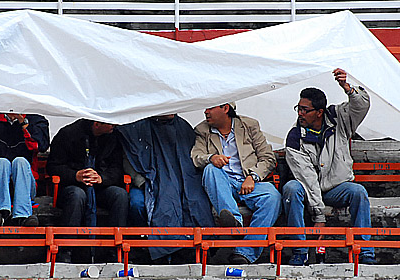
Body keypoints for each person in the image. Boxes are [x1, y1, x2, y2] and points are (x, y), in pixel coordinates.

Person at [283, 68, 375, 266]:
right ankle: (299, 251)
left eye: (305, 110)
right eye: (298, 108)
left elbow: (362, 106)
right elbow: (306, 179)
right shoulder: (294, 137)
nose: (300, 113)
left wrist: (348, 88)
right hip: (308, 191)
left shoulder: (338, 117)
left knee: (358, 191)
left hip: (336, 188)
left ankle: (365, 252)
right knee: (291, 188)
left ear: (319, 112)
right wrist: (319, 214)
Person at [191, 103, 281, 265]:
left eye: (210, 108)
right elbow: (196, 157)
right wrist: (211, 157)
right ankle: (234, 221)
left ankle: (245, 252)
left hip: (248, 182)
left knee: (272, 196)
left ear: (225, 109)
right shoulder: (202, 130)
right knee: (210, 170)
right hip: (222, 184)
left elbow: (268, 158)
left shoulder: (249, 125)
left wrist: (253, 177)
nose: (206, 111)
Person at [118, 114, 215, 262]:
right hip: (145, 182)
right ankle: (142, 247)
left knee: (196, 203)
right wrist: (145, 182)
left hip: (180, 181)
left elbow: (191, 160)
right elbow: (129, 160)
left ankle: (186, 250)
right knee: (137, 204)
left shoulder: (183, 127)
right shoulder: (136, 127)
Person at [46, 119, 128, 263]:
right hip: (71, 186)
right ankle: (66, 251)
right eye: (111, 124)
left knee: (119, 195)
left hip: (101, 187)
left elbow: (118, 169)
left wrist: (102, 178)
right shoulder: (67, 134)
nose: (115, 126)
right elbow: (53, 166)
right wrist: (75, 175)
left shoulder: (114, 137)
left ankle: (116, 252)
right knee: (77, 195)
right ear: (97, 124)